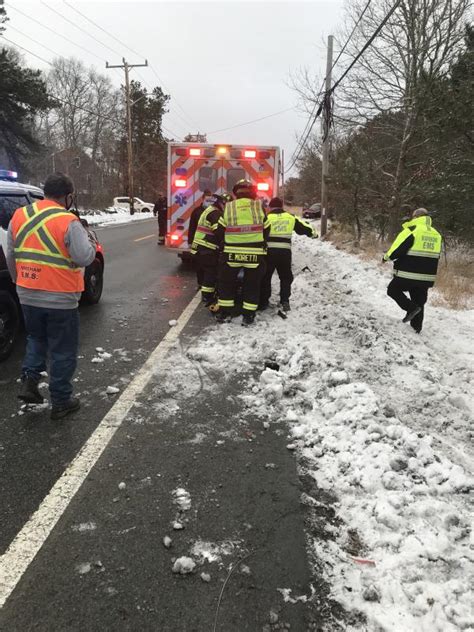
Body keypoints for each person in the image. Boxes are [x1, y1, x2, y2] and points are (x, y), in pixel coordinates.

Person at [6, 172, 96, 419]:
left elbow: (10, 253)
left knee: (36, 338)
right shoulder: (68, 221)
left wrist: (19, 281)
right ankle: (61, 400)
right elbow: (84, 257)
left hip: (27, 293)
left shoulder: (19, 215)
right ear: (68, 197)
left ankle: (30, 381)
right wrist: (86, 235)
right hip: (60, 296)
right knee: (62, 349)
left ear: (44, 192)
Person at [215, 179, 270, 326]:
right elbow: (267, 229)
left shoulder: (229, 207)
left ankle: (226, 313)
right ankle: (249, 315)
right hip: (255, 254)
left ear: (236, 193)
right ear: (252, 193)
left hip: (231, 253)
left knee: (226, 283)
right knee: (252, 284)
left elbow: (219, 229)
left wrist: (225, 242)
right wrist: (261, 242)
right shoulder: (259, 207)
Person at [383, 208, 442, 333]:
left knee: (393, 290)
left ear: (415, 217)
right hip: (427, 276)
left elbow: (397, 249)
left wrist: (386, 257)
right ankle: (416, 329)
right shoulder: (436, 234)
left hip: (408, 273)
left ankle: (410, 308)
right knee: (419, 300)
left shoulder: (412, 230)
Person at [260, 197, 317, 312]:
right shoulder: (290, 217)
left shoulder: (266, 218)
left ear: (270, 207)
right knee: (285, 277)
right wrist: (313, 234)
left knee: (265, 276)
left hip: (269, 253)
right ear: (282, 206)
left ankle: (264, 302)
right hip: (284, 253)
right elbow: (305, 228)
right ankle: (285, 301)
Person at [190, 194, 225, 307]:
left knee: (205, 271)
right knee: (211, 272)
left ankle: (206, 293)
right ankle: (207, 296)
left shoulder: (209, 210)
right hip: (206, 247)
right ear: (220, 203)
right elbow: (218, 231)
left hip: (200, 248)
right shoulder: (215, 213)